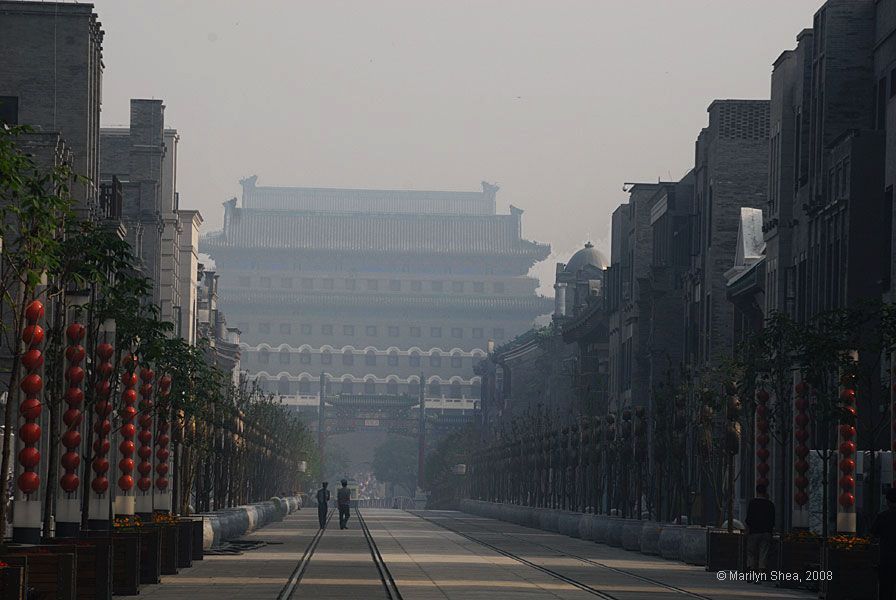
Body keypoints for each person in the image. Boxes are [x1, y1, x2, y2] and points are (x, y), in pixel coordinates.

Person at [745, 483, 775, 575]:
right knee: (763, 552)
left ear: (757, 491)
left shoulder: (752, 503)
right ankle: (761, 571)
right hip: (766, 532)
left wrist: (747, 530)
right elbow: (772, 520)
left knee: (751, 552)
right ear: (765, 492)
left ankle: (751, 570)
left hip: (754, 532)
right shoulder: (770, 504)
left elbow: (748, 519)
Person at [872, 487, 896, 600]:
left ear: (888, 501)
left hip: (886, 559)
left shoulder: (883, 516)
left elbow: (874, 532)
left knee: (885, 589)